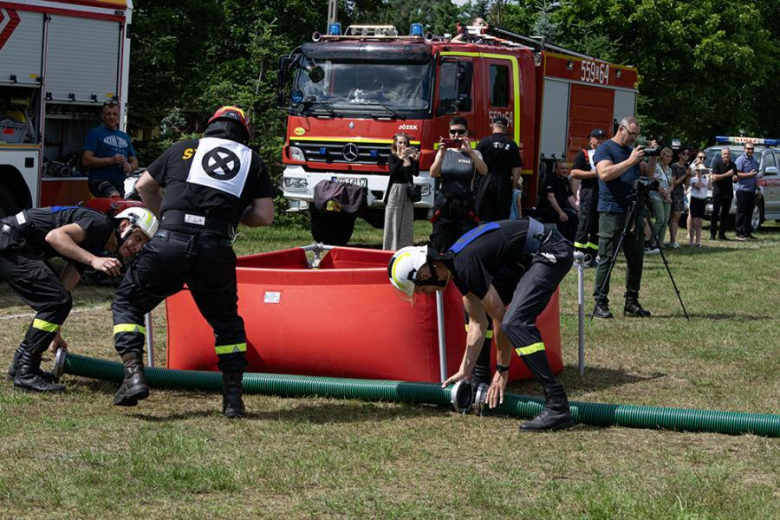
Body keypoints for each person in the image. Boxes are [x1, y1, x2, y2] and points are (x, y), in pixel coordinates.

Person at [110, 105, 275, 418]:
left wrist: (167, 219)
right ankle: (233, 401)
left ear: (210, 126)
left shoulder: (183, 148)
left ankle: (133, 375)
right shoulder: (252, 160)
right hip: (215, 249)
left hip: (169, 243)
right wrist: (227, 211)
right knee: (226, 325)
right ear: (246, 133)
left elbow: (143, 186)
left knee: (127, 304)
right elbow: (265, 216)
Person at [388, 218, 575, 432]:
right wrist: (463, 371)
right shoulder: (457, 265)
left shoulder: (465, 265)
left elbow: (499, 317)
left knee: (514, 324)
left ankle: (557, 405)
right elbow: (477, 322)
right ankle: (479, 377)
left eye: (420, 289)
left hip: (552, 250)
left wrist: (503, 369)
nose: (425, 294)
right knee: (475, 311)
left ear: (423, 274)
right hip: (528, 256)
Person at [2, 205, 157, 392]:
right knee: (56, 300)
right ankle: (26, 372)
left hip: (13, 243)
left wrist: (55, 332)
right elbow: (55, 237)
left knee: (57, 299)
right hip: (10, 243)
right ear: (124, 225)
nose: (137, 247)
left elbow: (63, 289)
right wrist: (94, 260)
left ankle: (20, 367)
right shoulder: (100, 225)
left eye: (143, 244)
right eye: (138, 238)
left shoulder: (97, 241)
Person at [592, 116, 658, 319]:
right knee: (607, 257)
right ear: (621, 129)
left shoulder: (632, 152)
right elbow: (604, 173)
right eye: (632, 134)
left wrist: (652, 156)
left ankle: (632, 301)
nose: (635, 138)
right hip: (612, 210)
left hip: (633, 210)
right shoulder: (606, 149)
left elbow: (647, 173)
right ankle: (600, 302)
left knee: (636, 258)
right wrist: (630, 161)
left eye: (638, 135)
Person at [429, 116, 487, 253]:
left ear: (467, 133)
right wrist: (441, 154)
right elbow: (433, 173)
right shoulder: (444, 152)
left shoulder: (474, 153)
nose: (456, 135)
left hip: (465, 204)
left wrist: (470, 152)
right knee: (441, 241)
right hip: (444, 203)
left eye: (461, 132)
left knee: (467, 243)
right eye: (453, 132)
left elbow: (483, 171)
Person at [82, 101, 138, 198]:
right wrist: (111, 160)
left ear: (119, 116)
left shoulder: (124, 136)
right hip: (99, 181)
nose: (111, 117)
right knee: (114, 197)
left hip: (119, 184)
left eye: (114, 114)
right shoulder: (95, 133)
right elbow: (86, 160)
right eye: (108, 114)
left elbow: (134, 161)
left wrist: (129, 166)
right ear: (102, 116)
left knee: (118, 208)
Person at [475, 116, 523, 222]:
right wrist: (514, 186)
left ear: (492, 126)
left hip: (484, 182)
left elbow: (475, 163)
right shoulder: (511, 144)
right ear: (506, 129)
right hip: (503, 183)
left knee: (482, 214)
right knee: (502, 216)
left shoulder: (484, 142)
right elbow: (517, 169)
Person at [571, 128, 607, 264]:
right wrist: (593, 174)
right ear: (591, 139)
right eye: (598, 138)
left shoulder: (606, 155)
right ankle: (578, 254)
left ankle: (591, 256)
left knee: (597, 225)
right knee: (585, 222)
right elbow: (574, 173)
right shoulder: (584, 154)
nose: (600, 141)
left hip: (602, 192)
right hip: (589, 190)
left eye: (603, 138)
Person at [383, 133, 420, 250]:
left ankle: (405, 249)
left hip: (407, 192)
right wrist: (401, 159)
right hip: (395, 190)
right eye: (400, 142)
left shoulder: (409, 157)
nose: (403, 145)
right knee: (393, 221)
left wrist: (416, 161)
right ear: (395, 143)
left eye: (405, 142)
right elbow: (393, 172)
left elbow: (415, 173)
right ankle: (390, 249)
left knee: (406, 223)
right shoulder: (392, 157)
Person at [538, 160, 578, 241]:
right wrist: (561, 213)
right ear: (556, 170)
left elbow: (570, 197)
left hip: (558, 209)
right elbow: (550, 197)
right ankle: (559, 243)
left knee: (575, 219)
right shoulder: (551, 178)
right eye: (562, 168)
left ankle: (570, 242)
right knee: (563, 220)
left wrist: (578, 210)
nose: (565, 171)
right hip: (546, 210)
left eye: (567, 168)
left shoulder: (565, 180)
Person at [709, 148, 736, 241]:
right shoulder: (717, 163)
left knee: (725, 215)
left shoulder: (733, 165)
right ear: (721, 155)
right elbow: (714, 177)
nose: (726, 156)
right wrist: (727, 174)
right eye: (724, 154)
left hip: (728, 193)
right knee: (715, 214)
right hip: (718, 193)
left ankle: (722, 234)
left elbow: (735, 176)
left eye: (728, 154)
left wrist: (735, 178)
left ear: (730, 155)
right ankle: (712, 234)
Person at [734, 144, 760, 240]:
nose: (750, 150)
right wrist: (749, 174)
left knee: (749, 212)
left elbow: (755, 176)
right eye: (748, 148)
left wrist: (758, 189)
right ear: (744, 149)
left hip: (751, 190)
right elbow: (736, 174)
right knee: (741, 212)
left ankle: (747, 233)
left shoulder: (754, 161)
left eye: (752, 149)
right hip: (742, 189)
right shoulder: (740, 159)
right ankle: (739, 233)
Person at [649, 148, 673, 249]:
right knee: (660, 219)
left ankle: (660, 242)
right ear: (661, 156)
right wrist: (664, 194)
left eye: (670, 156)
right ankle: (652, 241)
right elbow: (654, 182)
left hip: (667, 196)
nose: (668, 158)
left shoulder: (669, 169)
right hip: (656, 195)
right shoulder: (656, 167)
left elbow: (672, 183)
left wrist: (668, 193)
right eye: (666, 156)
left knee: (666, 221)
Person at [668, 148, 691, 248]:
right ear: (679, 155)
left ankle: (673, 240)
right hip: (673, 192)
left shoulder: (686, 166)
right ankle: (672, 240)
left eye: (687, 153)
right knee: (673, 217)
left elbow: (686, 185)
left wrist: (689, 176)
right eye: (684, 153)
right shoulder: (674, 166)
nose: (686, 155)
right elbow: (674, 182)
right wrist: (685, 175)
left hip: (681, 193)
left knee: (677, 217)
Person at [688, 161, 709, 247]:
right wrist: (700, 178)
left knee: (700, 222)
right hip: (695, 200)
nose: (701, 172)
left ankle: (698, 241)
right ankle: (691, 241)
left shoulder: (705, 179)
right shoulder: (693, 179)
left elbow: (710, 186)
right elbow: (699, 186)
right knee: (694, 222)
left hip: (702, 200)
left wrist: (709, 177)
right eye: (699, 170)